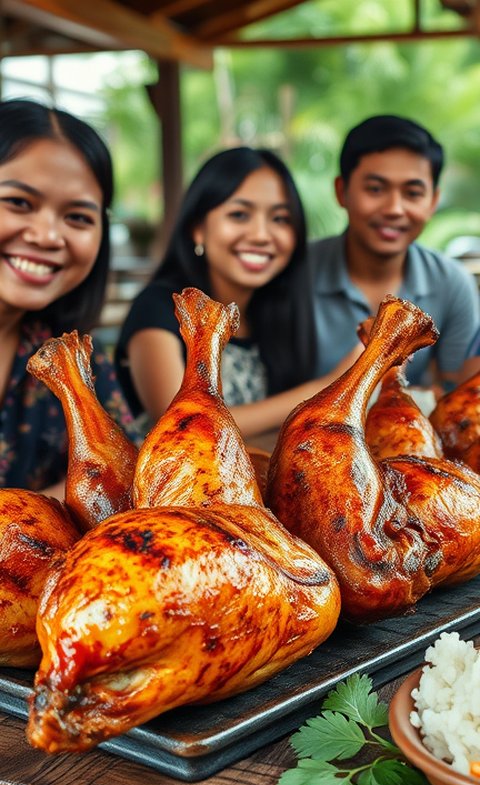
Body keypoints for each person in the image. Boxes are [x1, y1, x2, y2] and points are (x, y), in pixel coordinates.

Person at [115, 146, 362, 441]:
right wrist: (329, 386)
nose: (260, 234)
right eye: (239, 214)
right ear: (197, 229)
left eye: (280, 219)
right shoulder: (160, 308)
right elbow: (186, 427)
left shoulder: (274, 313)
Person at [0, 98, 138, 497]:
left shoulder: (75, 357)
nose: (47, 236)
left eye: (77, 217)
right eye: (18, 203)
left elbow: (125, 479)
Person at [308, 114, 480, 393]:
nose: (394, 209)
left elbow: (453, 391)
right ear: (342, 191)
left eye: (412, 193)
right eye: (375, 189)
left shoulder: (452, 283)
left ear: (433, 201)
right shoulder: (293, 271)